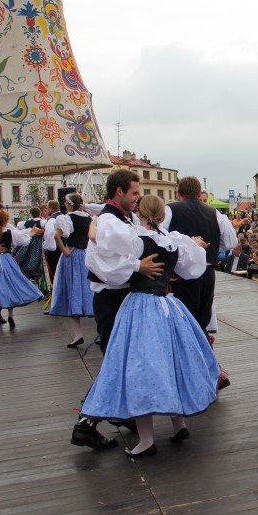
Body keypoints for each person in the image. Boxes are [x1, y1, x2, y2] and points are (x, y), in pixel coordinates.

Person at [80, 195, 216, 457]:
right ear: (162, 216)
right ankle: (179, 425)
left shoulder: (136, 240)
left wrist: (94, 234)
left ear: (139, 214)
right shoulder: (173, 240)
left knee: (139, 368)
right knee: (172, 361)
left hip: (141, 307)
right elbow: (193, 266)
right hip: (169, 305)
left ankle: (146, 440)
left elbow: (108, 260)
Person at [74, 170, 164, 451]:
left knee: (124, 361)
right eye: (134, 192)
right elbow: (101, 265)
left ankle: (122, 416)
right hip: (111, 300)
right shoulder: (108, 222)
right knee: (118, 362)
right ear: (119, 192)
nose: (138, 198)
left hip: (121, 298)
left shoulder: (118, 219)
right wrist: (139, 266)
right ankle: (86, 424)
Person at [162, 176, 236, 390]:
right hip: (207, 271)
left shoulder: (170, 210)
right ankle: (210, 371)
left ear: (179, 192)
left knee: (183, 321)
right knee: (201, 320)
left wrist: (182, 249)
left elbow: (162, 238)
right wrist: (212, 248)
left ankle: (195, 374)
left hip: (181, 274)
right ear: (199, 191)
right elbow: (231, 242)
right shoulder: (214, 213)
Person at [50, 194, 95, 348]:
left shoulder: (67, 218)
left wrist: (65, 251)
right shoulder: (89, 218)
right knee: (89, 289)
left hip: (73, 256)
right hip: (86, 256)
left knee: (73, 291)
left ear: (69, 204)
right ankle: (100, 333)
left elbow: (57, 235)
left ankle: (78, 334)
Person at [13, 207, 46, 282]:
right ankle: (35, 275)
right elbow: (47, 229)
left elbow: (18, 228)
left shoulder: (25, 223)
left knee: (26, 256)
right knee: (37, 257)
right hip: (39, 241)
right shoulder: (43, 222)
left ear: (31, 214)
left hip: (29, 241)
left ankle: (27, 272)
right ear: (40, 213)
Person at [42, 199, 64, 284]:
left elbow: (49, 235)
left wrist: (45, 247)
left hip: (54, 250)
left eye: (47, 208)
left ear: (50, 208)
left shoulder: (52, 220)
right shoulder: (64, 216)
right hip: (64, 248)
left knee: (54, 273)